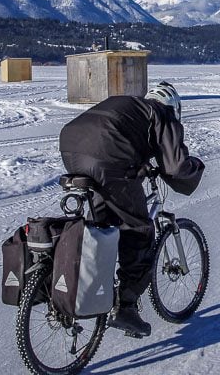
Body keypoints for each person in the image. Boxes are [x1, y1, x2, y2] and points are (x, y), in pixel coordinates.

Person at [58, 81, 205, 337]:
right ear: (174, 106)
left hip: (71, 147)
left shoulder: (132, 106)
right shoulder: (162, 113)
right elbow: (175, 166)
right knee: (138, 229)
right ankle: (124, 307)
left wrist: (139, 165)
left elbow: (122, 136)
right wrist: (195, 167)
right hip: (108, 156)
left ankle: (89, 285)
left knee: (102, 228)